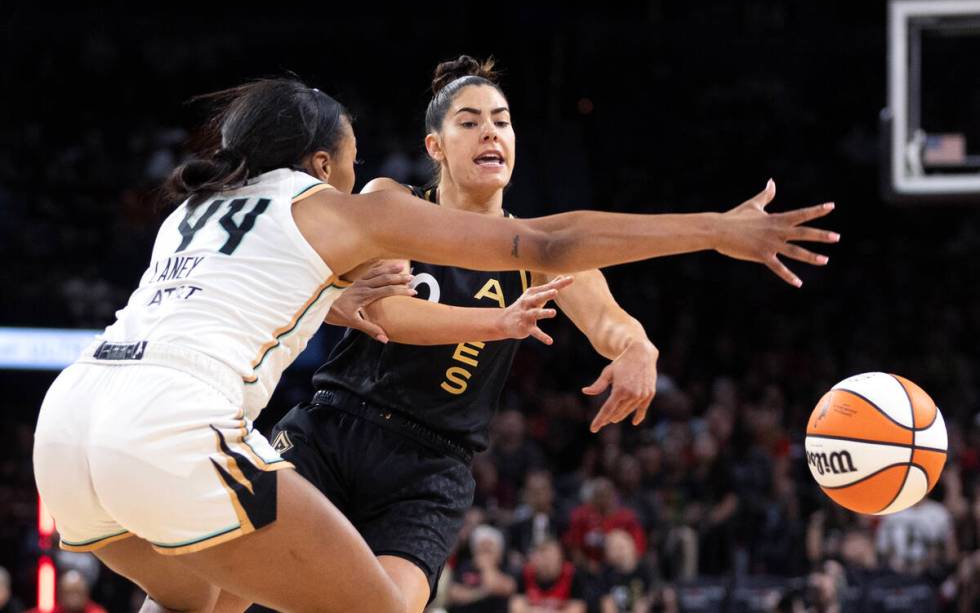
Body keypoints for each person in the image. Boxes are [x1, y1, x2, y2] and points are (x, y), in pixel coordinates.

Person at [34, 75, 837, 613]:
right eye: (346, 159)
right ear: (323, 163)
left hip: (71, 425)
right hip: (224, 424)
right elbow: (550, 245)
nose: (492, 131)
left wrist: (634, 342)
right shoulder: (359, 209)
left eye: (503, 118)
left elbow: (286, 298)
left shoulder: (196, 209)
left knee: (200, 604)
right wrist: (716, 231)